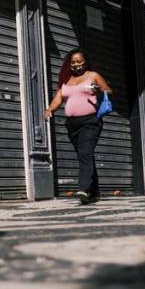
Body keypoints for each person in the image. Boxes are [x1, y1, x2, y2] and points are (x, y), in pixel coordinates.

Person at [44, 50, 113, 205]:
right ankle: (94, 192)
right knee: (85, 156)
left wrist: (97, 89)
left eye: (79, 61)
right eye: (73, 62)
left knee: (85, 154)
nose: (76, 64)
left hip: (90, 121)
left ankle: (83, 189)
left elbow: (108, 90)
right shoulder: (66, 80)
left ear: (85, 61)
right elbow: (58, 99)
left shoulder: (92, 76)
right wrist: (49, 109)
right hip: (72, 124)